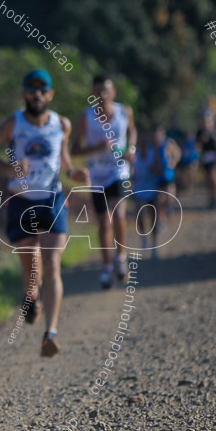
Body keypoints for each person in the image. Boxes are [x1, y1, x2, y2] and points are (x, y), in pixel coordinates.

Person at [0, 69, 88, 357]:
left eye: (43, 90)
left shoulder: (61, 124)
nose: (37, 95)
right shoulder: (12, 124)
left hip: (52, 200)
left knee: (52, 264)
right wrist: (7, 170)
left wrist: (71, 170)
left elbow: (62, 154)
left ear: (50, 95)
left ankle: (50, 332)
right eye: (31, 89)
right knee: (31, 268)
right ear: (24, 93)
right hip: (21, 200)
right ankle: (32, 295)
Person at [70, 74, 136, 289]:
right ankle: (106, 267)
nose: (102, 95)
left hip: (119, 171)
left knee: (118, 214)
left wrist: (131, 149)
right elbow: (74, 149)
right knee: (103, 222)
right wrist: (96, 148)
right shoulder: (85, 118)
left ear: (113, 92)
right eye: (98, 91)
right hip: (97, 175)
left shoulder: (124, 112)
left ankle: (120, 259)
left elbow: (132, 131)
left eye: (105, 90)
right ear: (93, 93)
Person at [131, 125, 179, 258]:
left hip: (152, 188)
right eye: (141, 141)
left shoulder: (154, 152)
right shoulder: (135, 154)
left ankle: (154, 244)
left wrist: (160, 165)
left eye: (146, 140)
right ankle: (143, 239)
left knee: (154, 218)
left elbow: (159, 170)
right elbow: (130, 171)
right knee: (139, 215)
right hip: (139, 189)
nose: (144, 143)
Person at [197, 108, 216, 208]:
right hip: (205, 158)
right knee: (208, 179)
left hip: (215, 158)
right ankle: (211, 198)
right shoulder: (200, 132)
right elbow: (197, 145)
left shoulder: (215, 131)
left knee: (214, 176)